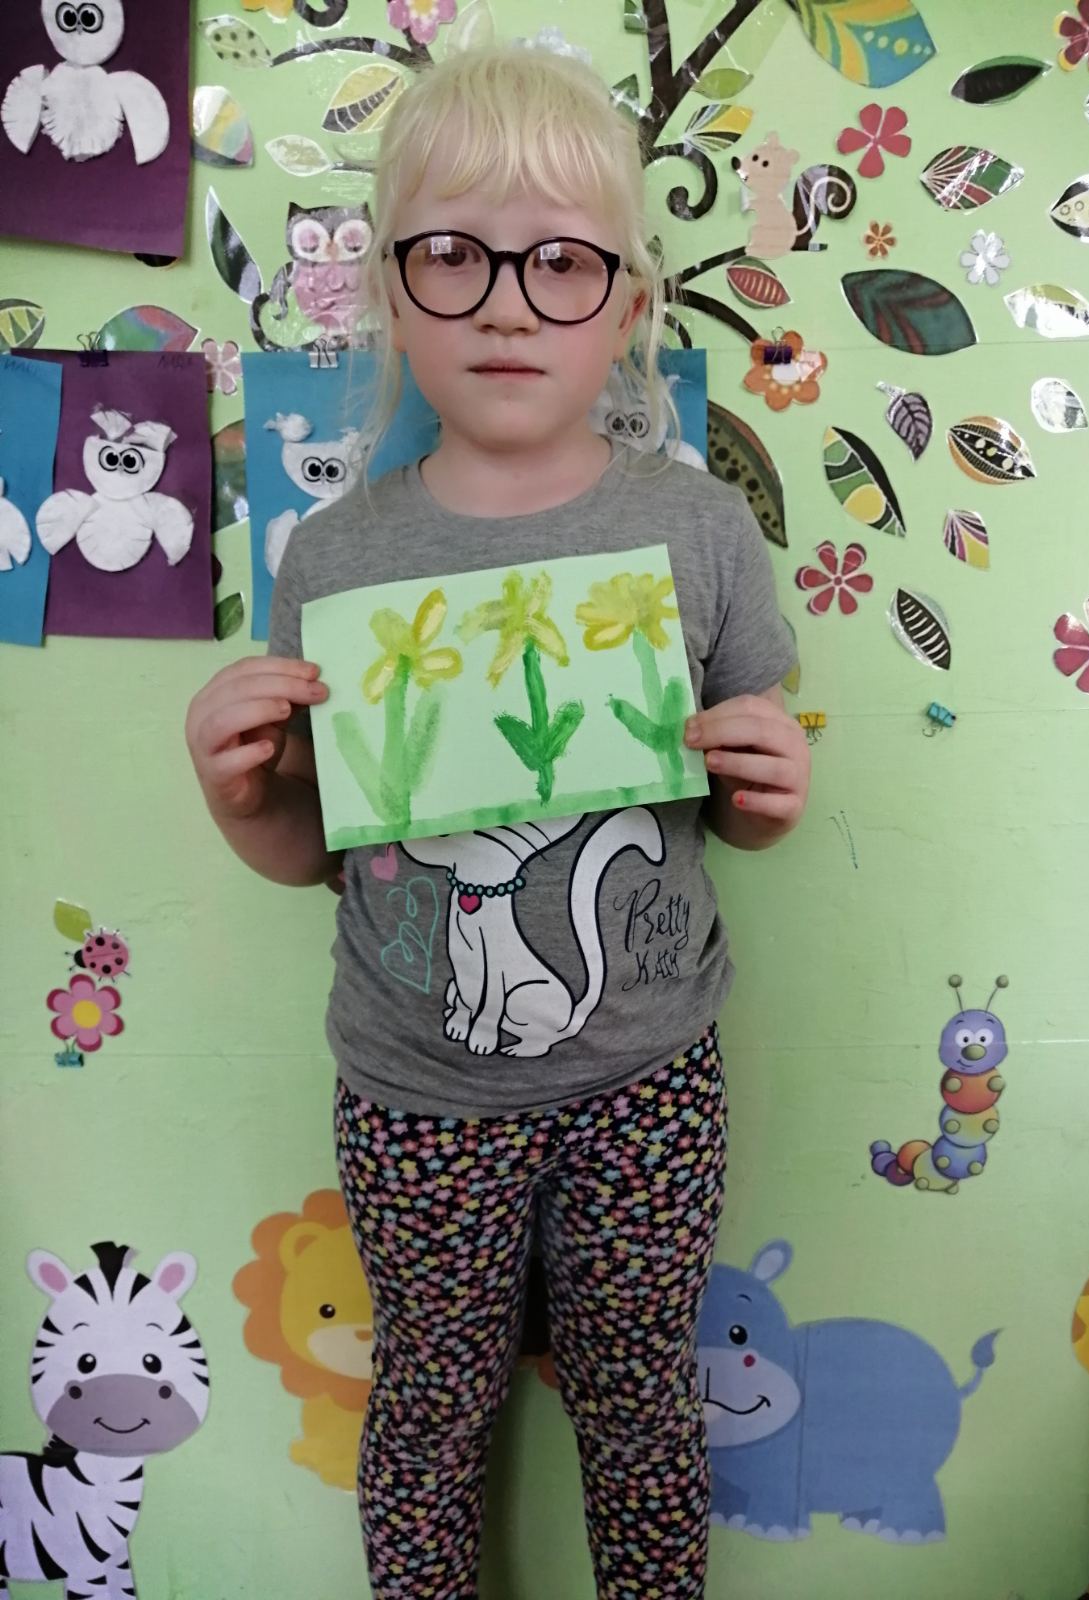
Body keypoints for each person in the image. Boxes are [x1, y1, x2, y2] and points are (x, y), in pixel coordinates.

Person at [185, 38, 808, 1600]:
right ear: (391, 295)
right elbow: (317, 857)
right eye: (454, 255)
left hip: (649, 1084)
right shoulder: (334, 560)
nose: (510, 304)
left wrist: (772, 792)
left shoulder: (698, 532)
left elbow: (736, 823)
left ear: (629, 304)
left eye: (562, 262)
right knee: (429, 1412)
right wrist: (238, 794)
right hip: (414, 1093)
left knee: (639, 1407)